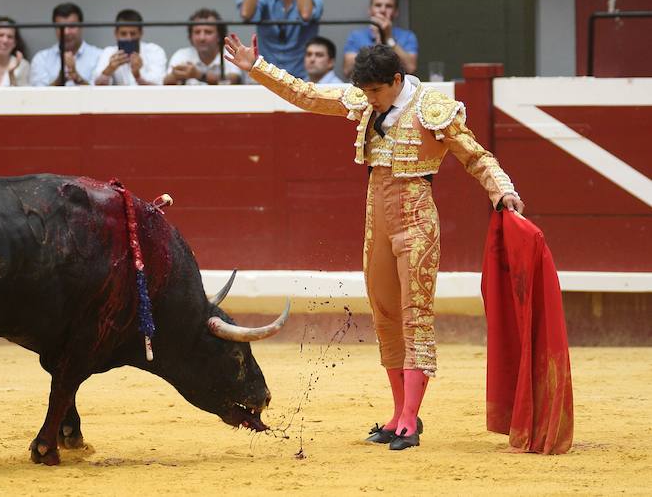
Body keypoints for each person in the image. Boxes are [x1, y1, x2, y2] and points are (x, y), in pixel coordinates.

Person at [224, 33, 524, 451]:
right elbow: (307, 95)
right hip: (376, 218)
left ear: (398, 79)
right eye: (364, 91)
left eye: (377, 91)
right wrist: (256, 66)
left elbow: (476, 156)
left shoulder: (433, 109)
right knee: (385, 316)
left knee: (414, 314)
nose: (370, 100)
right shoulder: (366, 99)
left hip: (416, 217)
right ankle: (398, 413)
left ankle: (411, 421)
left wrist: (501, 190)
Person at [343, 0, 418, 78]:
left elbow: (411, 68)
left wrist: (388, 37)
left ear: (396, 12)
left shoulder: (407, 36)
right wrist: (377, 41)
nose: (383, 10)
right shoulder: (356, 36)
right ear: (370, 10)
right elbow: (347, 71)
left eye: (389, 6)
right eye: (378, 5)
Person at [30, 2, 102, 86]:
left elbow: (101, 95)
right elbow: (38, 96)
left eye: (71, 26)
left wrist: (77, 78)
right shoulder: (41, 59)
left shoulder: (99, 56)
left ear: (81, 26)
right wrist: (60, 79)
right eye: (61, 27)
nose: (66, 32)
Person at [164, 8, 242, 85]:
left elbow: (234, 80)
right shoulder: (182, 54)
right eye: (197, 32)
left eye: (208, 32)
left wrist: (200, 75)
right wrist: (175, 75)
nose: (202, 38)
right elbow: (166, 82)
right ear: (190, 36)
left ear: (219, 36)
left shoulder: (230, 53)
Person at [92, 9, 167, 86]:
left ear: (141, 33)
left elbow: (159, 84)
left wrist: (138, 75)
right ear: (116, 33)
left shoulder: (154, 51)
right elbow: (95, 86)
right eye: (123, 34)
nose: (129, 38)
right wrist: (109, 70)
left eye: (133, 34)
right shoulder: (109, 52)